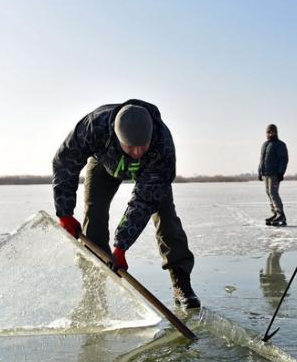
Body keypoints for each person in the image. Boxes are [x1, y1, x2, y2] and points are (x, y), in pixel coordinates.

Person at [52, 99, 200, 309]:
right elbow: (65, 162)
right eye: (131, 146)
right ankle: (95, 282)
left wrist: (121, 246)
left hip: (151, 172)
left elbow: (144, 201)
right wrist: (64, 212)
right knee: (94, 216)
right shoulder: (94, 127)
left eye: (143, 146)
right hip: (105, 163)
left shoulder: (162, 145)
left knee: (166, 215)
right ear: (117, 136)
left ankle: (181, 282)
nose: (138, 152)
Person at [258, 124, 289, 226]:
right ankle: (275, 213)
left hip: (275, 174)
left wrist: (281, 172)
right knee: (269, 193)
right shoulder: (265, 144)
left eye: (272, 131)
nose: (270, 133)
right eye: (268, 132)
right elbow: (261, 160)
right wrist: (260, 171)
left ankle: (281, 215)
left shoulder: (280, 144)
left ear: (276, 132)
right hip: (266, 173)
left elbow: (284, 159)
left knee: (273, 193)